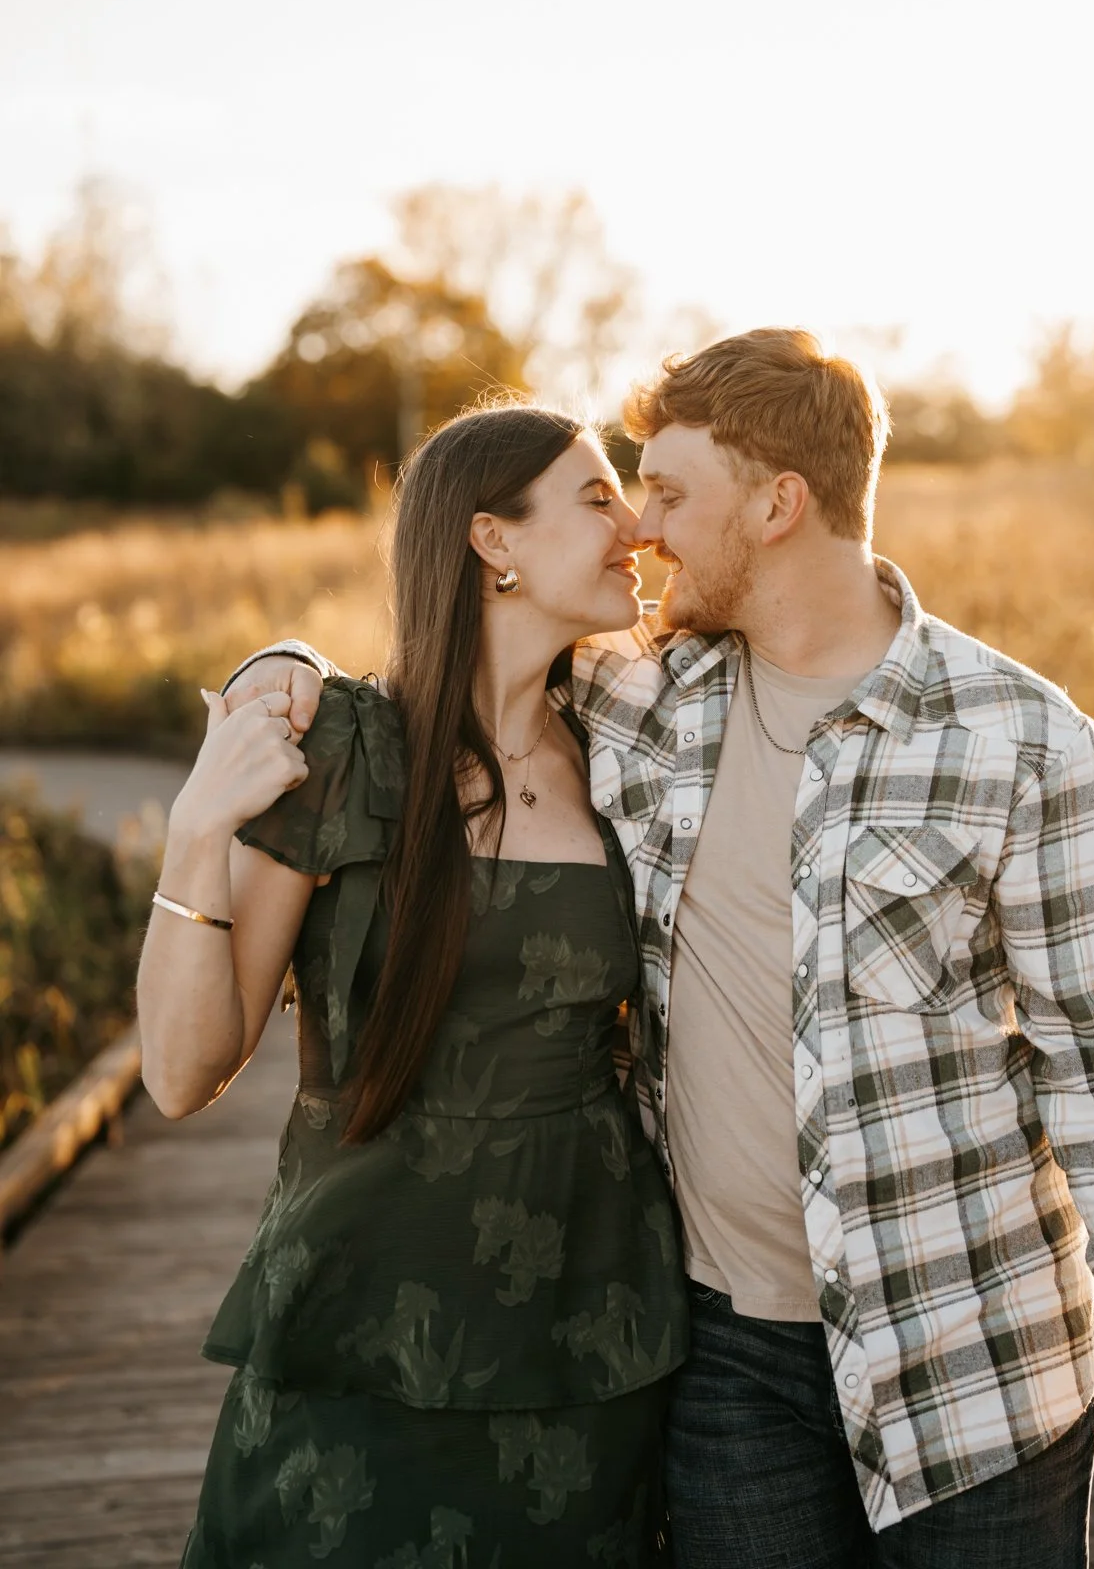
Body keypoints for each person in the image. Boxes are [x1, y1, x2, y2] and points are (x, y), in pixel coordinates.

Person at [227, 329, 1094, 1569]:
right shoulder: (643, 700)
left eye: (667, 491)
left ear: (777, 503)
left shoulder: (1020, 739)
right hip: (719, 1358)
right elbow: (448, 673)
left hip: (975, 1360)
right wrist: (279, 669)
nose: (639, 528)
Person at [139, 404, 688, 1568]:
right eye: (595, 497)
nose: (634, 523)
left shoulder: (626, 750)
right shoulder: (343, 746)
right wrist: (198, 830)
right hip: (360, 1315)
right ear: (491, 540)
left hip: (586, 1325)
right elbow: (186, 1071)